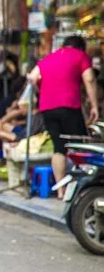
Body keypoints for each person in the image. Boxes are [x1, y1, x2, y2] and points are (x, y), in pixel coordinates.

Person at [29, 35, 100, 198]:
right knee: (81, 146)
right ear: (81, 48)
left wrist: (43, 91)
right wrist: (94, 105)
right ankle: (83, 190)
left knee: (59, 147)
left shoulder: (48, 58)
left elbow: (32, 77)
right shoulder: (80, 56)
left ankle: (60, 190)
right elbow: (89, 79)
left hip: (47, 108)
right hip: (68, 106)